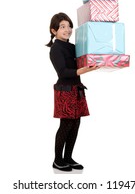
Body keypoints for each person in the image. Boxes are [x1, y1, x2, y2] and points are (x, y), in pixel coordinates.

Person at [46, 12, 98, 172]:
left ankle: (68, 157)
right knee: (65, 125)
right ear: (54, 30)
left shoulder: (73, 47)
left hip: (76, 89)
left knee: (76, 124)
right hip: (65, 90)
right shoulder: (55, 49)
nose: (67, 29)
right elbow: (63, 72)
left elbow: (83, 60)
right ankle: (57, 160)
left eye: (69, 26)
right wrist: (84, 70)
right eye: (62, 27)